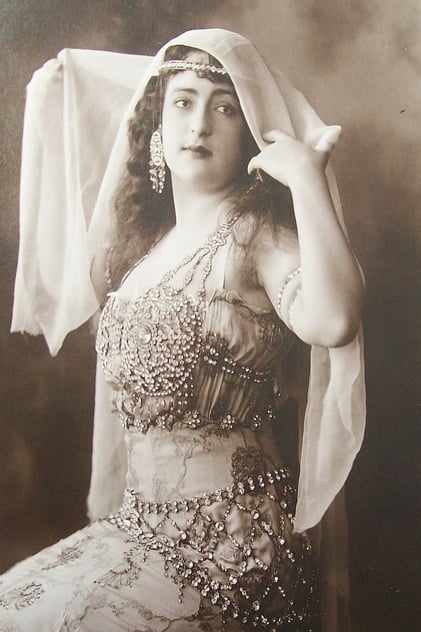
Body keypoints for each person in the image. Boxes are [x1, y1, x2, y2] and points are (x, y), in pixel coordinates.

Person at [2, 29, 365, 631]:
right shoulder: (142, 252)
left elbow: (335, 320)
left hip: (234, 545)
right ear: (156, 126)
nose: (199, 124)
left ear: (247, 133)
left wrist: (306, 181)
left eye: (224, 108)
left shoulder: (258, 238)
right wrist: (60, 92)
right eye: (183, 102)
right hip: (141, 530)